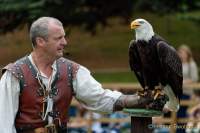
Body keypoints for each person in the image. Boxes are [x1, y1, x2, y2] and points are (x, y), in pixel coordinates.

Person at [0, 17, 166, 133]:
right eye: (58, 38)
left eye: (64, 37)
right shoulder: (15, 75)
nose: (65, 42)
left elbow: (99, 98)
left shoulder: (72, 71)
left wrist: (135, 100)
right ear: (40, 41)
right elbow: (4, 125)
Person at [177, 44, 199, 133]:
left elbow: (195, 78)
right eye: (179, 52)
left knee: (182, 113)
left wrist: (183, 82)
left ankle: (181, 131)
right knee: (177, 113)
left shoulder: (191, 64)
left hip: (187, 92)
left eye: (182, 52)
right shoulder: (177, 63)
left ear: (187, 53)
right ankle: (179, 130)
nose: (180, 54)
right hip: (177, 92)